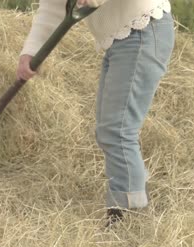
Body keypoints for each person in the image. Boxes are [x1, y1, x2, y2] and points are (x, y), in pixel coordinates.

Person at [17, 0, 175, 226]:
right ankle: (134, 199)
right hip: (119, 40)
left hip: (143, 31)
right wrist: (30, 51)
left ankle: (127, 217)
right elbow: (53, 6)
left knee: (117, 130)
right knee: (109, 130)